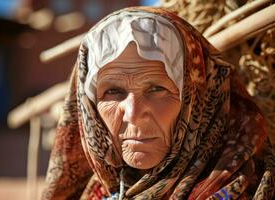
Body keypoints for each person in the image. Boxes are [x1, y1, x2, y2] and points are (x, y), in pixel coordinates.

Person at [42, 7, 275, 200]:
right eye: (113, 91)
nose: (133, 113)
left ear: (197, 98)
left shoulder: (242, 188)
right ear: (89, 109)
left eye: (157, 89)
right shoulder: (96, 192)